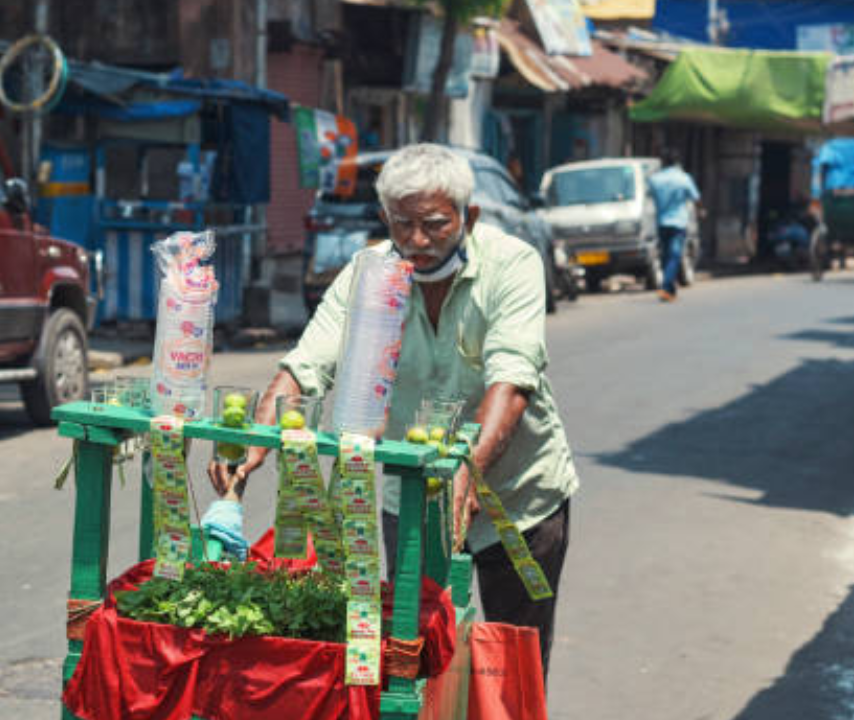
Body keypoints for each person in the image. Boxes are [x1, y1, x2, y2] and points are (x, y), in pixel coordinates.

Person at [210, 143, 579, 679]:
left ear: (468, 217)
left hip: (520, 497)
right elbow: (306, 366)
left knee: (512, 668)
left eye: (434, 224)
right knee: (416, 655)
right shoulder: (369, 273)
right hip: (413, 501)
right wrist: (255, 440)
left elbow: (512, 379)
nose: (417, 241)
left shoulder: (514, 264)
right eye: (401, 224)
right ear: (385, 219)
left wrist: (466, 468)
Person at [647, 147, 702, 302]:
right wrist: (700, 211)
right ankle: (666, 287)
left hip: (661, 222)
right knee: (674, 255)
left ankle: (670, 289)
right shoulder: (683, 178)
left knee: (665, 256)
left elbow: (649, 197)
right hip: (678, 222)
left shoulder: (654, 179)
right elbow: (696, 197)